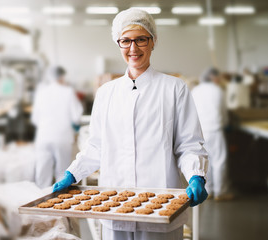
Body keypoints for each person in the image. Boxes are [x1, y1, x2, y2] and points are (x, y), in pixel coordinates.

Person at [53, 8, 208, 240]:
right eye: (125, 41)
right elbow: (96, 146)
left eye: (140, 40)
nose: (133, 48)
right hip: (115, 204)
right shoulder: (106, 93)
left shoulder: (174, 89)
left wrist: (196, 175)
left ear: (153, 41)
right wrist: (71, 174)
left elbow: (188, 145)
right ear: (118, 43)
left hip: (161, 207)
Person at [31, 66, 83, 188]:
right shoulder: (68, 92)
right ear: (62, 77)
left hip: (43, 137)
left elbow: (35, 119)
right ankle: (60, 202)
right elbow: (76, 116)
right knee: (61, 173)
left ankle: (40, 202)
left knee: (42, 173)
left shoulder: (41, 93)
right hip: (62, 137)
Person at [191, 67, 231, 201]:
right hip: (215, 130)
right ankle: (221, 192)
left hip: (200, 131)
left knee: (205, 162)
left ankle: (209, 190)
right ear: (213, 77)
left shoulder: (195, 91)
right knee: (219, 161)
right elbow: (224, 113)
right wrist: (225, 124)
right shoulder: (218, 91)